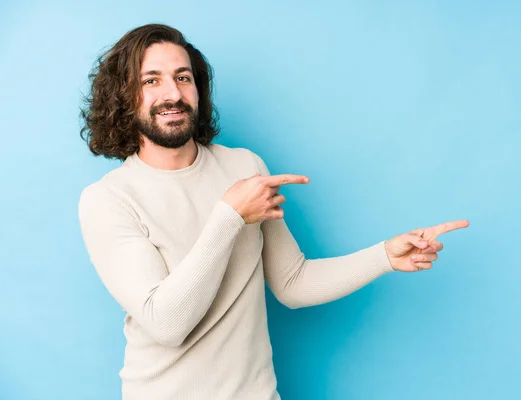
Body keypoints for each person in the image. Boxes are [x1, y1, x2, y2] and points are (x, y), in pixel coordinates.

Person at [78, 23, 469, 400]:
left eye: (183, 78)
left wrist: (384, 255)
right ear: (125, 97)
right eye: (151, 80)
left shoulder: (245, 168)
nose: (172, 93)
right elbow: (167, 324)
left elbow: (293, 282)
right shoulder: (109, 199)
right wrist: (229, 216)